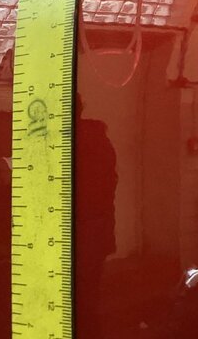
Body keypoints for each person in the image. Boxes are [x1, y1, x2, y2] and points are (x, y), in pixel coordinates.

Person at [75, 93, 118, 339]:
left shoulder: (68, 141)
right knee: (88, 297)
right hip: (97, 228)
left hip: (82, 230)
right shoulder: (99, 139)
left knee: (76, 299)